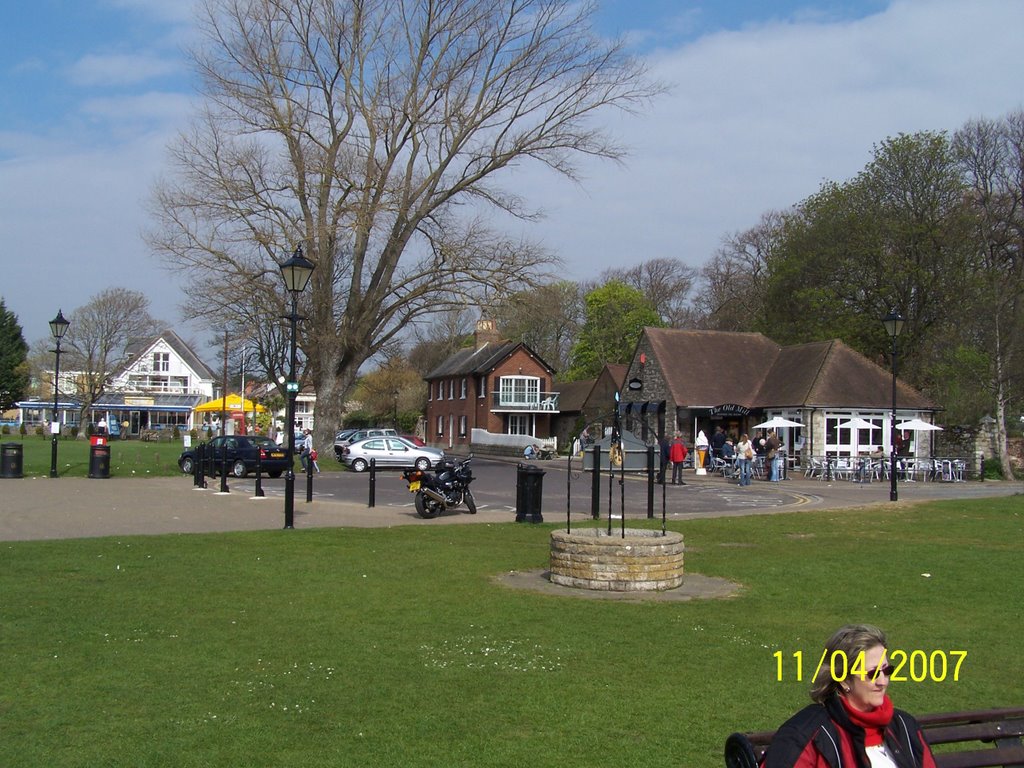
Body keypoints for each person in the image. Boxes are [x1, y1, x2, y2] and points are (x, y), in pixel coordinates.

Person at [764, 624, 937, 768]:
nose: (882, 681)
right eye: (873, 673)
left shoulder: (905, 727)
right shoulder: (804, 734)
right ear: (844, 680)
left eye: (887, 671)